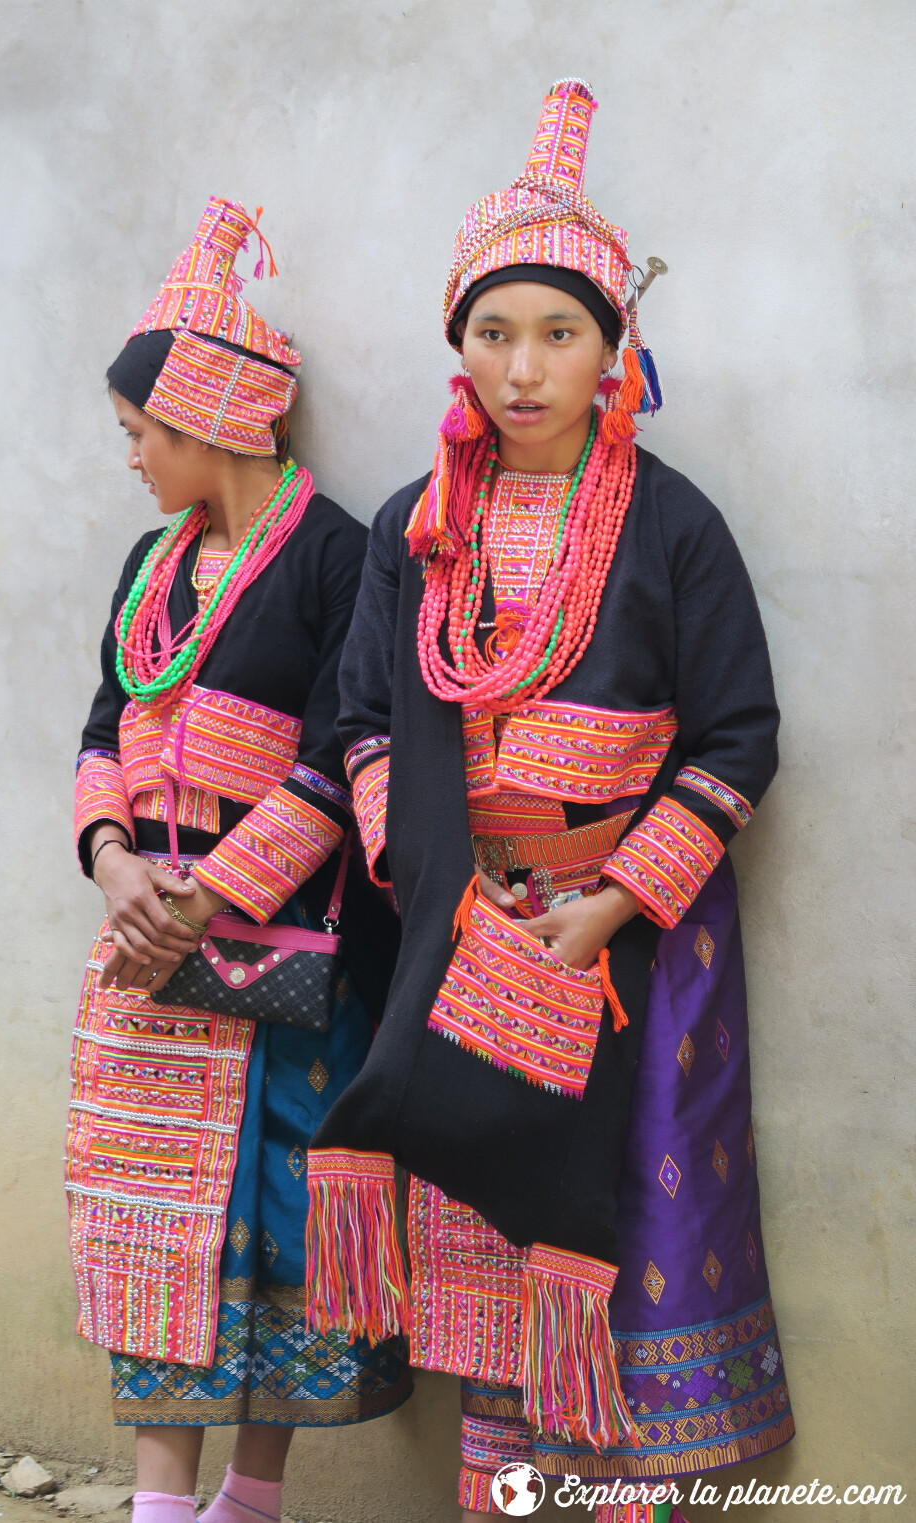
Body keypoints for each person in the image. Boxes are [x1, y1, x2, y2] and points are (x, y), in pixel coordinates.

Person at [304, 81, 794, 1520]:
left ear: (611, 352)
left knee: (621, 1246)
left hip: (627, 946)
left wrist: (609, 903)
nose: (525, 368)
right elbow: (365, 720)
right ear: (458, 346)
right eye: (493, 332)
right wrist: (442, 887)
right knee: (481, 1252)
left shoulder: (672, 524)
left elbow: (740, 736)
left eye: (559, 334)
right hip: (459, 939)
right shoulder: (413, 528)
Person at [66, 197, 410, 1523]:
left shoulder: (338, 559)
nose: (133, 459)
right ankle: (163, 1505)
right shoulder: (151, 568)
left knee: (265, 1238)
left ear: (209, 420)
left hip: (283, 966)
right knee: (148, 1227)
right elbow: (106, 726)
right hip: (143, 949)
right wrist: (112, 865)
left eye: (139, 433)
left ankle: (247, 1503)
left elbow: (335, 758)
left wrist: (208, 897)